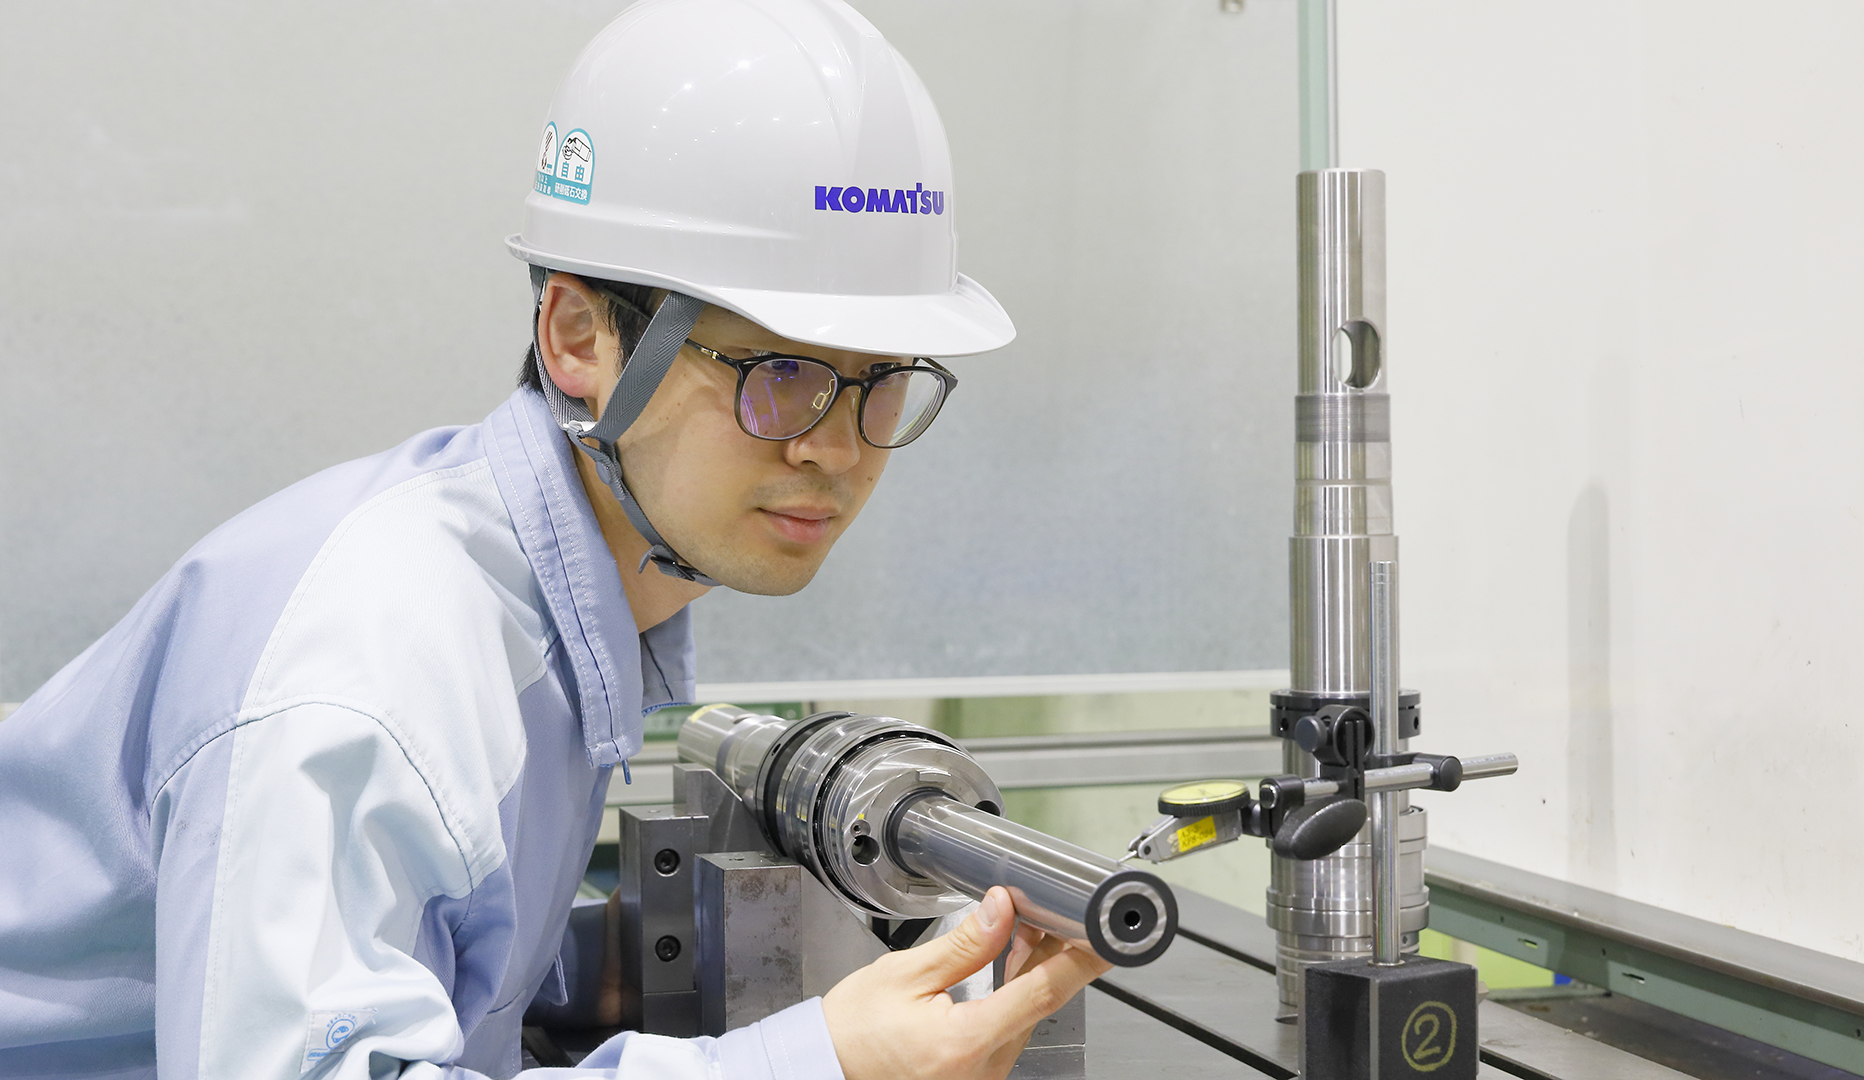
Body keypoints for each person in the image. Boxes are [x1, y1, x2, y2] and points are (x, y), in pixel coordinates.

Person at [0, 1, 1110, 1076]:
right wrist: (813, 1064)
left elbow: (435, 960)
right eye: (781, 375)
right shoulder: (370, 679)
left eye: (882, 385)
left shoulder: (540, 603)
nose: (838, 450)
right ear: (580, 339)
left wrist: (647, 971)